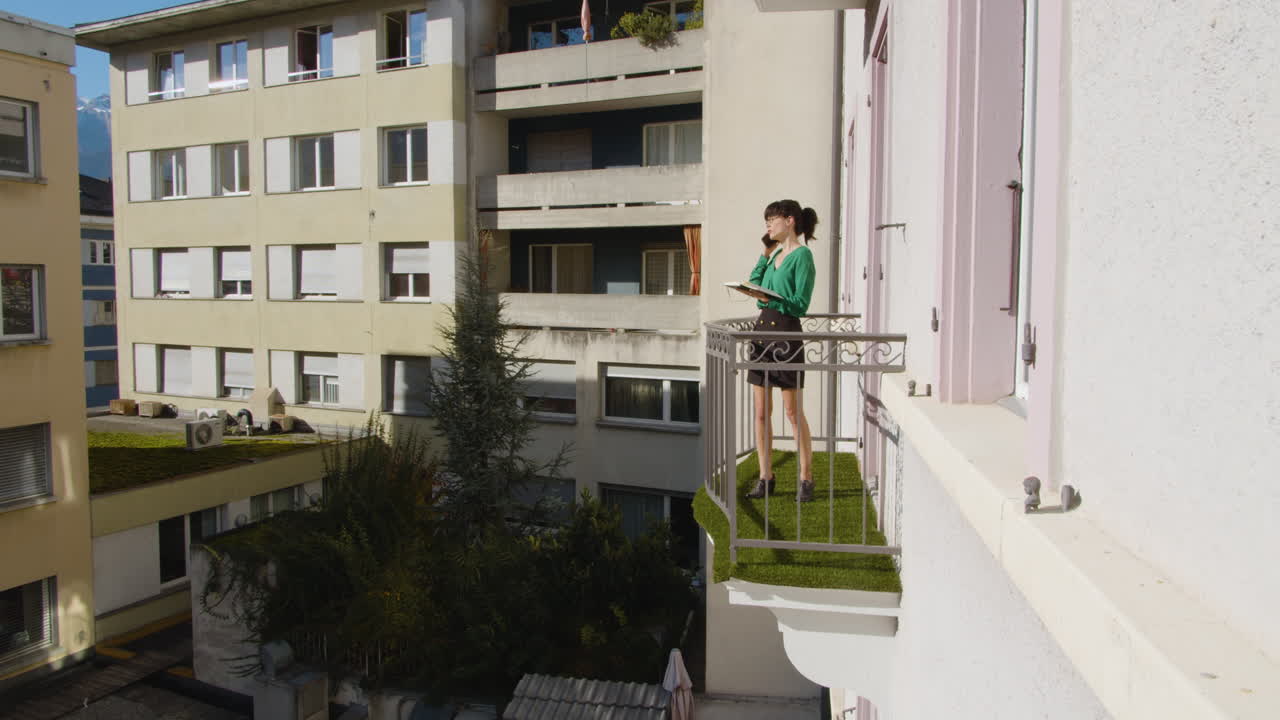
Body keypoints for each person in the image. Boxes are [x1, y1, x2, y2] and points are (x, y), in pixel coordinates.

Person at [740, 200, 818, 502]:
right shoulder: (773, 257)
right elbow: (754, 285)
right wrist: (764, 254)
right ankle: (765, 477)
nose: (768, 227)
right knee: (761, 413)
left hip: (786, 333)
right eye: (766, 222)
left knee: (792, 411)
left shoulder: (802, 256)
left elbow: (800, 303)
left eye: (772, 220)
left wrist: (773, 299)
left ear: (790, 220)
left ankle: (806, 478)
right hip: (762, 334)